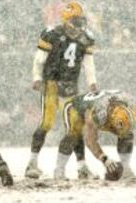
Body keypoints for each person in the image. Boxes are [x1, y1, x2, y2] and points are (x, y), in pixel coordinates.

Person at [26, 1, 97, 179]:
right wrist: (37, 78)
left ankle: (81, 166)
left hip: (71, 84)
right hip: (51, 83)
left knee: (75, 126)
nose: (80, 25)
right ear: (66, 20)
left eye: (81, 20)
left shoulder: (85, 38)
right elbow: (39, 60)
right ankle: (32, 163)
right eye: (76, 21)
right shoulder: (52, 34)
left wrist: (92, 82)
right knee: (47, 123)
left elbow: (88, 63)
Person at [53, 90, 136, 180]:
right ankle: (60, 169)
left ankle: (126, 168)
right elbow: (90, 141)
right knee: (74, 135)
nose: (117, 132)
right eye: (116, 128)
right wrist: (105, 159)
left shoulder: (129, 103)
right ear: (110, 118)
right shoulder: (99, 112)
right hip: (74, 107)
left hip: (104, 104)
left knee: (127, 134)